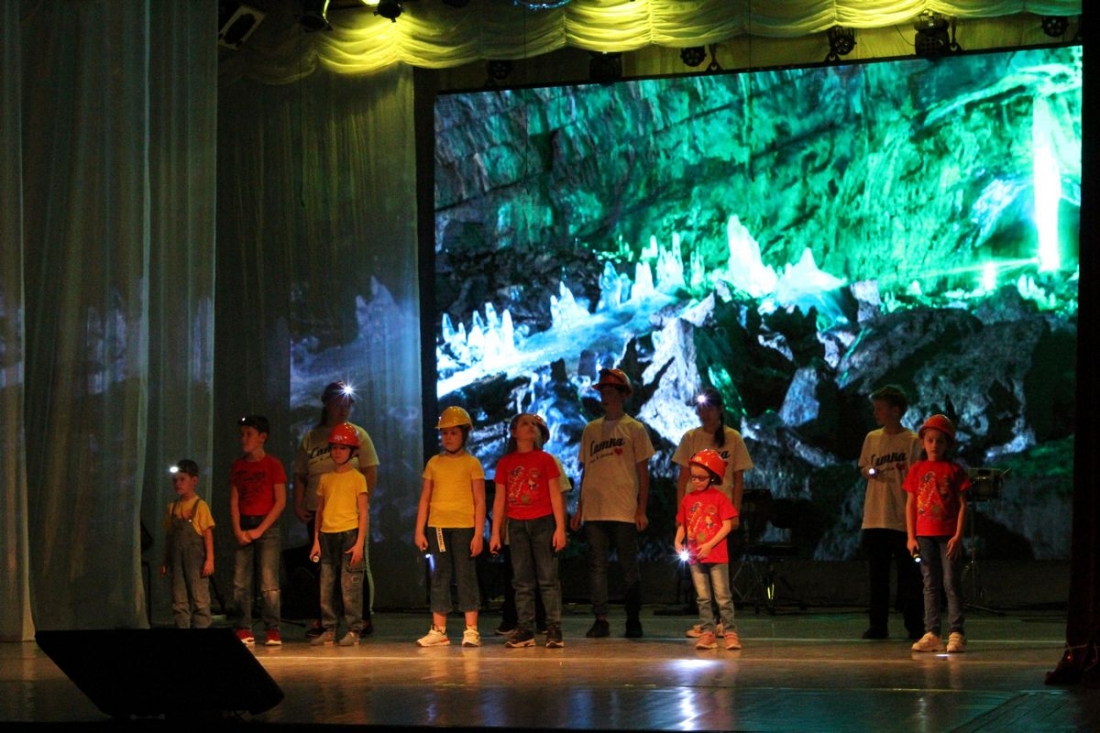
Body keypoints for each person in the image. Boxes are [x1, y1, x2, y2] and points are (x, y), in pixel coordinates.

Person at [570, 368, 655, 639]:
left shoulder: (635, 428)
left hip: (623, 508)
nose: (605, 396)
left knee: (629, 566)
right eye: (603, 392)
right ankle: (601, 619)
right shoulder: (591, 429)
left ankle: (633, 619)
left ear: (622, 395)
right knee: (597, 566)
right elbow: (586, 471)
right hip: (595, 508)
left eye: (609, 391)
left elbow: (643, 473)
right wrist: (580, 509)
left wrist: (641, 509)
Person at [293, 381, 380, 636]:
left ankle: (361, 618)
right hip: (320, 511)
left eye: (348, 404)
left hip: (350, 514)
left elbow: (370, 471)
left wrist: (361, 503)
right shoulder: (312, 437)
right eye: (338, 403)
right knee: (323, 567)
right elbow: (300, 474)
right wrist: (298, 503)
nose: (343, 409)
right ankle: (324, 620)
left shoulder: (359, 435)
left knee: (355, 565)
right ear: (326, 404)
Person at [671, 387, 754, 638]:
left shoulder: (733, 438)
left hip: (721, 514)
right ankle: (706, 622)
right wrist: (681, 516)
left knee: (720, 574)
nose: (704, 413)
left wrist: (735, 512)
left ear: (720, 410)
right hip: (696, 515)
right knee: (698, 570)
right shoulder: (691, 438)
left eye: (709, 408)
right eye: (700, 408)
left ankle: (722, 622)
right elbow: (683, 478)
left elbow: (738, 479)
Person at [489, 413, 568, 649]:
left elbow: (555, 495)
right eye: (525, 424)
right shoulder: (505, 463)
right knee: (522, 581)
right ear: (514, 432)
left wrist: (560, 528)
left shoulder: (546, 460)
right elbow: (500, 500)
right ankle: (525, 629)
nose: (531, 427)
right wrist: (496, 533)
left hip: (543, 522)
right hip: (516, 524)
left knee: (548, 578)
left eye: (534, 424)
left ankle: (553, 627)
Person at [414, 406, 486, 648]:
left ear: (464, 434)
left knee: (466, 575)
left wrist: (478, 534)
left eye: (454, 432)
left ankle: (471, 629)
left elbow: (480, 500)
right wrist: (419, 530)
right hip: (438, 527)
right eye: (444, 433)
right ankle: (439, 630)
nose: (448, 437)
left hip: (465, 527)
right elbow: (425, 498)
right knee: (440, 576)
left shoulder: (472, 463)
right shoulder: (434, 463)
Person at [858, 384, 924, 641]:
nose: (876, 413)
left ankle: (914, 625)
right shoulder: (872, 438)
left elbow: (918, 475)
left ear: (896, 410)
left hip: (902, 518)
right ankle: (878, 625)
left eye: (880, 408)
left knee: (909, 576)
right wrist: (870, 471)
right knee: (877, 577)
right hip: (875, 517)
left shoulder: (912, 441)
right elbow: (864, 466)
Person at [905, 414, 971, 654]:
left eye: (940, 441)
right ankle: (932, 632)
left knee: (951, 581)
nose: (934, 445)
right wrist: (911, 536)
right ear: (923, 443)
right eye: (930, 440)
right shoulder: (916, 469)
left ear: (947, 444)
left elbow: (963, 505)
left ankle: (956, 632)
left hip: (947, 535)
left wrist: (958, 536)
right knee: (930, 583)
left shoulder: (955, 470)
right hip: (924, 535)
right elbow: (911, 504)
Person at [310, 422, 370, 646]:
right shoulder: (325, 478)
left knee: (350, 586)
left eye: (343, 448)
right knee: (326, 586)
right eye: (334, 447)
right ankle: (329, 629)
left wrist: (360, 543)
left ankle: (354, 630)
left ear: (352, 451)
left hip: (349, 535)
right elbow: (320, 511)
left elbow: (363, 512)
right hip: (327, 535)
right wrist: (316, 540)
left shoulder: (357, 478)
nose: (337, 452)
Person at [675, 449, 741, 651]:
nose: (696, 481)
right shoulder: (688, 499)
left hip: (717, 555)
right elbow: (684, 524)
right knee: (703, 597)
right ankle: (707, 632)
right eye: (693, 477)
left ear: (712, 477)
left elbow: (727, 526)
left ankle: (730, 632)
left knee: (723, 597)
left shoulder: (719, 498)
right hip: (695, 556)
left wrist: (710, 544)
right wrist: (677, 541)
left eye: (701, 478)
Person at [230, 415, 286, 646]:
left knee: (268, 580)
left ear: (262, 437)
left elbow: (280, 501)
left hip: (267, 527)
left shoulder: (273, 464)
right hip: (245, 524)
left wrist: (261, 529)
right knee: (240, 582)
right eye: (242, 434)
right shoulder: (238, 466)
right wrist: (238, 530)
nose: (244, 438)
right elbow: (234, 501)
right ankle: (244, 627)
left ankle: (272, 628)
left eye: (249, 434)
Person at [160, 459, 215, 629]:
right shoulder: (172, 508)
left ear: (194, 480)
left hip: (196, 563)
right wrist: (165, 560)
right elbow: (169, 536)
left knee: (200, 599)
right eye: (175, 480)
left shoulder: (200, 506)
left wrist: (210, 560)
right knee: (179, 600)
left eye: (182, 479)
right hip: (176, 562)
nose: (178, 483)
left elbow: (207, 534)